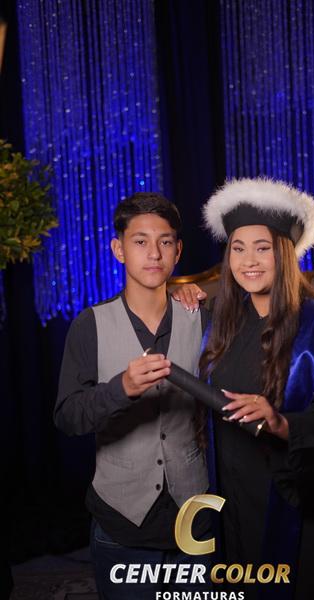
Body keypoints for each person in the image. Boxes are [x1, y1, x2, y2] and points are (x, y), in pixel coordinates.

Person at [195, 178, 314, 600]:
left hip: (299, 501)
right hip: (234, 496)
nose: (248, 261)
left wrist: (282, 424)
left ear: (285, 253)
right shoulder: (222, 323)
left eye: (262, 248)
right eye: (238, 248)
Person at [54, 192, 211, 600]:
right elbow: (68, 417)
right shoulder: (89, 325)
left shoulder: (203, 317)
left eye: (165, 242)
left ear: (178, 251)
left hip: (195, 517)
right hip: (121, 522)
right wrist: (120, 388)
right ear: (118, 249)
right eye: (140, 241)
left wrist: (195, 291)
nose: (154, 253)